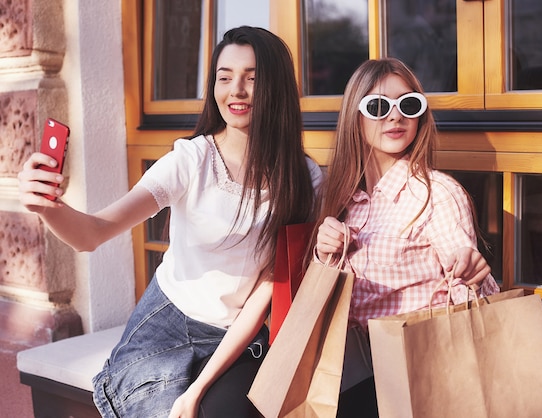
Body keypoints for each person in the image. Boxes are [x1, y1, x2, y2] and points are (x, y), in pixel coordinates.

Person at [18, 26, 322, 418]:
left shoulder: (303, 179)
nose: (237, 91)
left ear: (277, 87)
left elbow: (266, 289)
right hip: (168, 325)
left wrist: (197, 389)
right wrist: (47, 206)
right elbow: (92, 234)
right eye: (224, 77)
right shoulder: (191, 161)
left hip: (239, 335)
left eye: (252, 78)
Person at [314, 57, 500, 417]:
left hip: (418, 372)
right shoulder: (340, 198)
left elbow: (471, 296)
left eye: (409, 104)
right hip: (349, 369)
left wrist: (474, 270)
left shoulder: (435, 194)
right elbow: (324, 300)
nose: (396, 116)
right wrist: (324, 256)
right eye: (379, 106)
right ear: (355, 116)